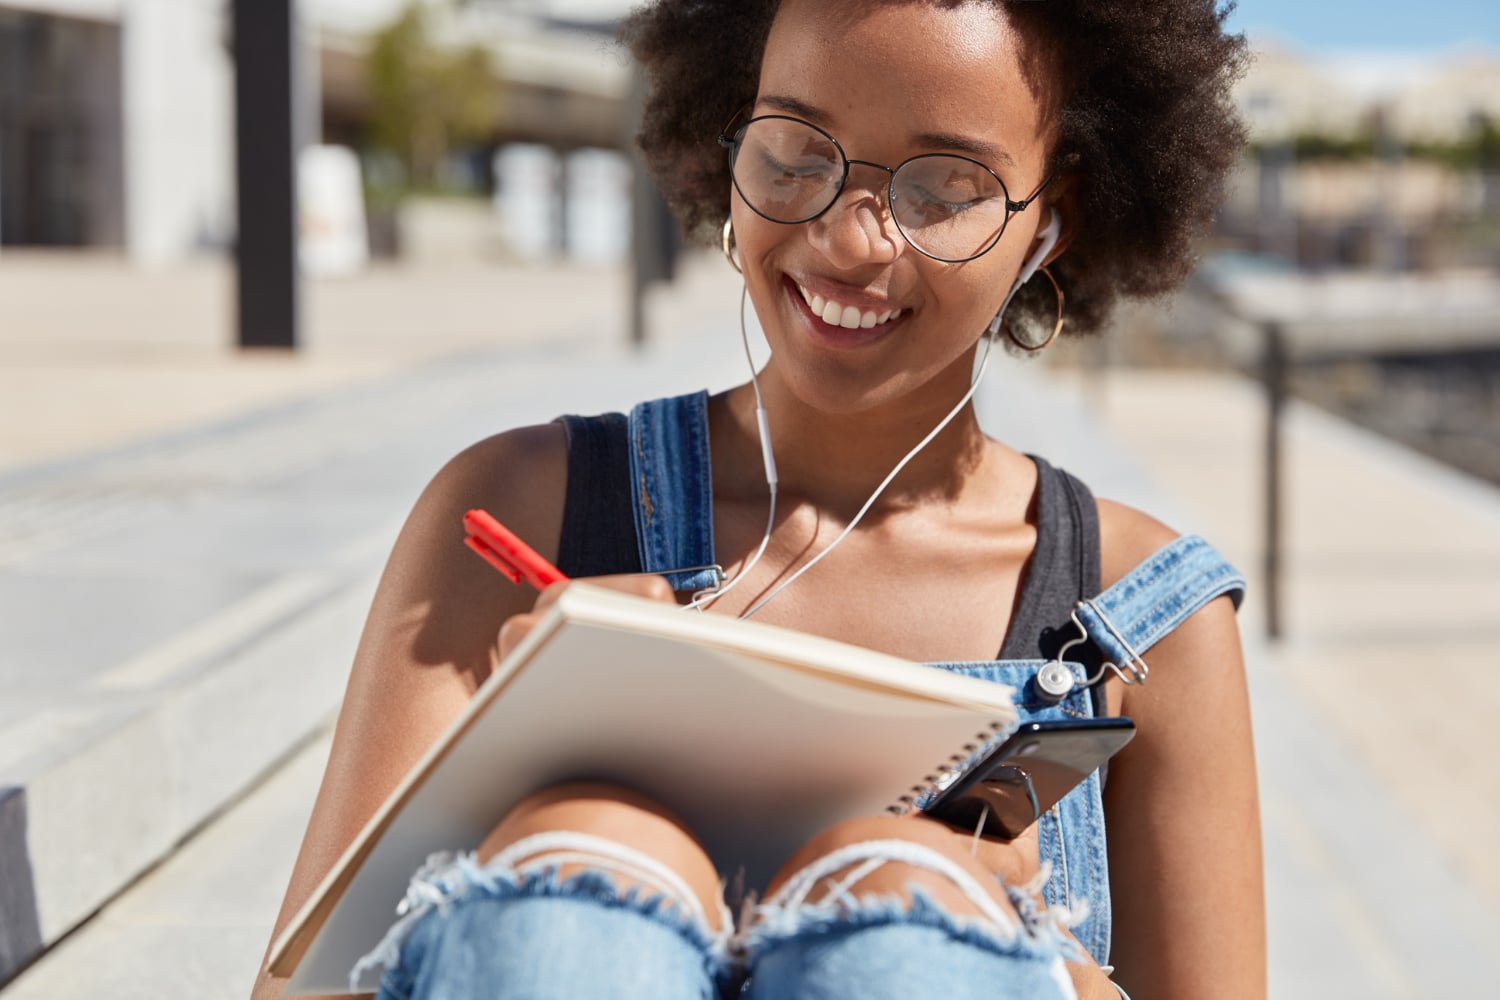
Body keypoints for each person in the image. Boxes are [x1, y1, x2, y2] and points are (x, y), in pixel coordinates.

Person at [253, 1, 1263, 997]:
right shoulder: (519, 514)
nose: (849, 240)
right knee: (588, 848)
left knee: (921, 896)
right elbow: (305, 985)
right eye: (795, 151)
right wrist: (524, 815)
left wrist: (1022, 948)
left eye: (945, 186)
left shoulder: (1146, 621)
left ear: (1051, 222)